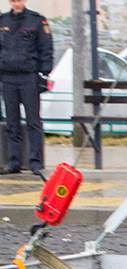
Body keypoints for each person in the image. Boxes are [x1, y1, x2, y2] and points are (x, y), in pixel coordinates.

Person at [0, 0, 52, 178]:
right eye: (13, 0)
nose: (16, 4)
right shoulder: (2, 21)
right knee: (12, 122)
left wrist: (44, 73)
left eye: (19, 0)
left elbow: (46, 48)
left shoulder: (37, 21)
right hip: (7, 77)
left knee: (33, 121)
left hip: (29, 77)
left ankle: (35, 162)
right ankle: (14, 161)